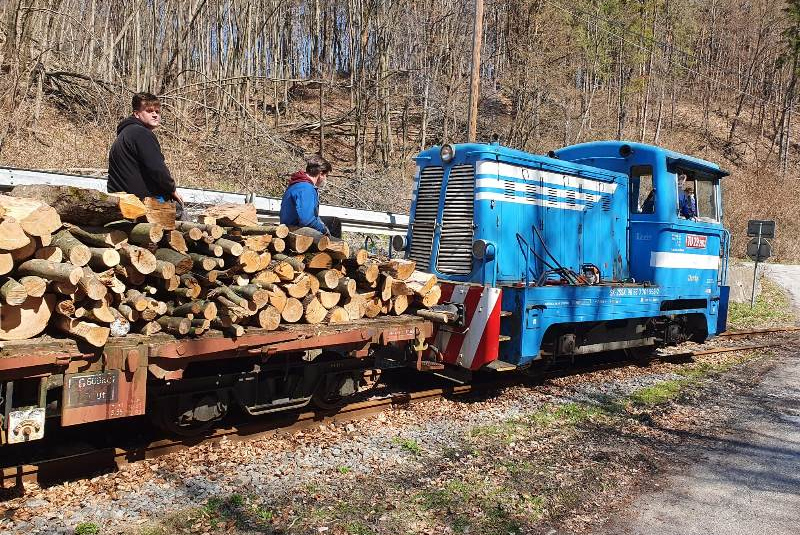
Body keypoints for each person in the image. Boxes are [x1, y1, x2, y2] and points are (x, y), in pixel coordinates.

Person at [108, 92, 184, 209]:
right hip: (141, 201)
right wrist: (172, 189)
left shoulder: (125, 133)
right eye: (149, 111)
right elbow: (157, 168)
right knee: (177, 207)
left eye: (157, 112)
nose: (155, 115)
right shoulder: (141, 133)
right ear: (137, 114)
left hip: (121, 199)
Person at [280, 154, 331, 235]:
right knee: (333, 227)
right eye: (326, 176)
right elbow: (307, 220)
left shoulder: (296, 184)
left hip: (289, 227)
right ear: (321, 174)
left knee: (333, 221)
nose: (325, 179)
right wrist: (323, 229)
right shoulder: (306, 188)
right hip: (297, 230)